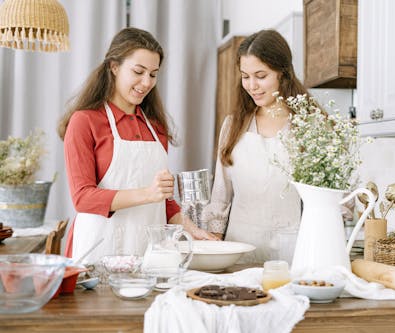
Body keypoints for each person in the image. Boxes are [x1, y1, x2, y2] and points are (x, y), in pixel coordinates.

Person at [58, 27, 216, 264]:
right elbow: (83, 197)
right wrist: (147, 194)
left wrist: (191, 228)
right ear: (114, 67)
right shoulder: (85, 121)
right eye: (138, 71)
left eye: (153, 74)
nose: (146, 82)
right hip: (99, 248)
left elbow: (163, 198)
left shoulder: (155, 127)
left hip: (147, 249)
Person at [203, 30, 309, 263]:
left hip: (292, 251)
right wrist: (213, 248)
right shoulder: (233, 126)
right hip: (239, 250)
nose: (252, 86)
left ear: (283, 73)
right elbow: (221, 195)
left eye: (261, 76)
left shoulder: (308, 127)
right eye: (245, 76)